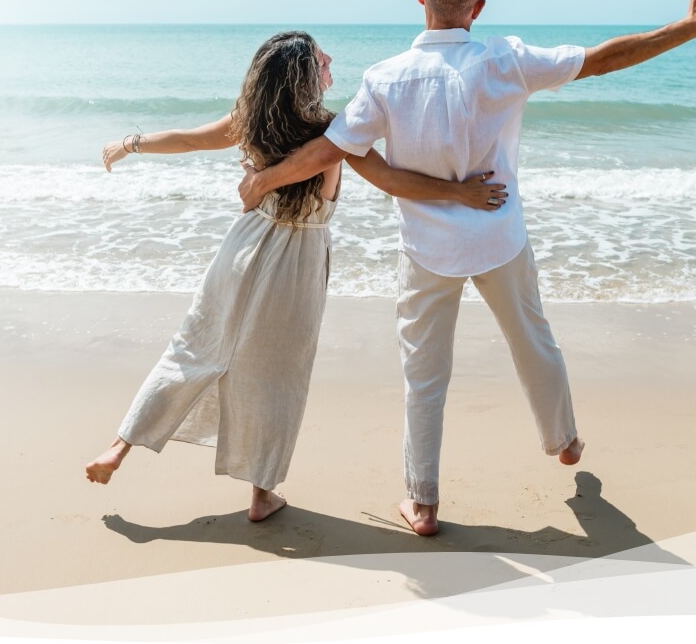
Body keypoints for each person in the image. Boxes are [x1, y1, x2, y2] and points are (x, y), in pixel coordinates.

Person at [238, 0, 696, 535]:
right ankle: (562, 440)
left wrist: (263, 180)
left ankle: (424, 503)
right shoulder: (506, 59)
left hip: (427, 252)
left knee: (424, 376)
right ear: (478, 8)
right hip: (500, 239)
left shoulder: (384, 79)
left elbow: (329, 149)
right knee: (532, 339)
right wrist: (687, 30)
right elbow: (603, 59)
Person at [82, 30, 507, 522]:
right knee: (278, 379)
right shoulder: (332, 132)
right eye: (323, 59)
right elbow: (391, 179)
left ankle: (119, 446)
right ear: (306, 78)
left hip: (243, 248)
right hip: (298, 263)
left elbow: (189, 140)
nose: (332, 63)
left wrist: (129, 143)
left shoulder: (253, 122)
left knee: (194, 348)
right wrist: (461, 193)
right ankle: (262, 496)